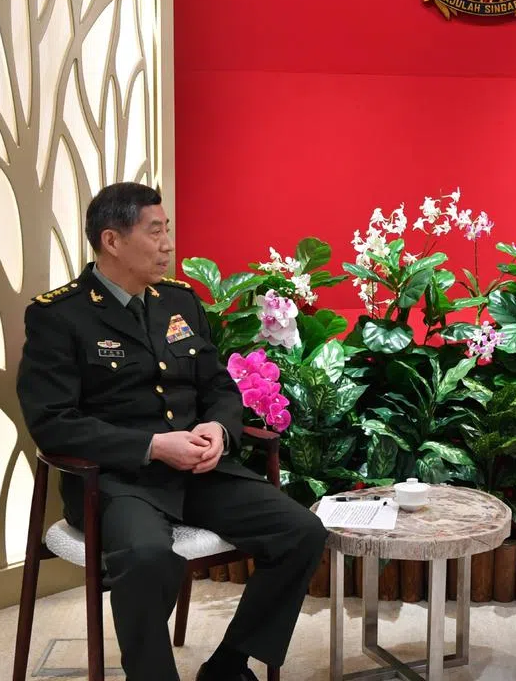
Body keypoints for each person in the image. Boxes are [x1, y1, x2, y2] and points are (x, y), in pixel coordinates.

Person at [17, 183, 327, 681]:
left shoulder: (177, 302)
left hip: (199, 470)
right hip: (117, 481)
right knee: (146, 558)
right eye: (155, 232)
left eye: (168, 231)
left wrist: (218, 431)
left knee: (301, 532)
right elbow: (53, 422)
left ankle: (228, 666)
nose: (168, 244)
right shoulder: (60, 316)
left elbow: (221, 388)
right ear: (112, 240)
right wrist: (152, 446)